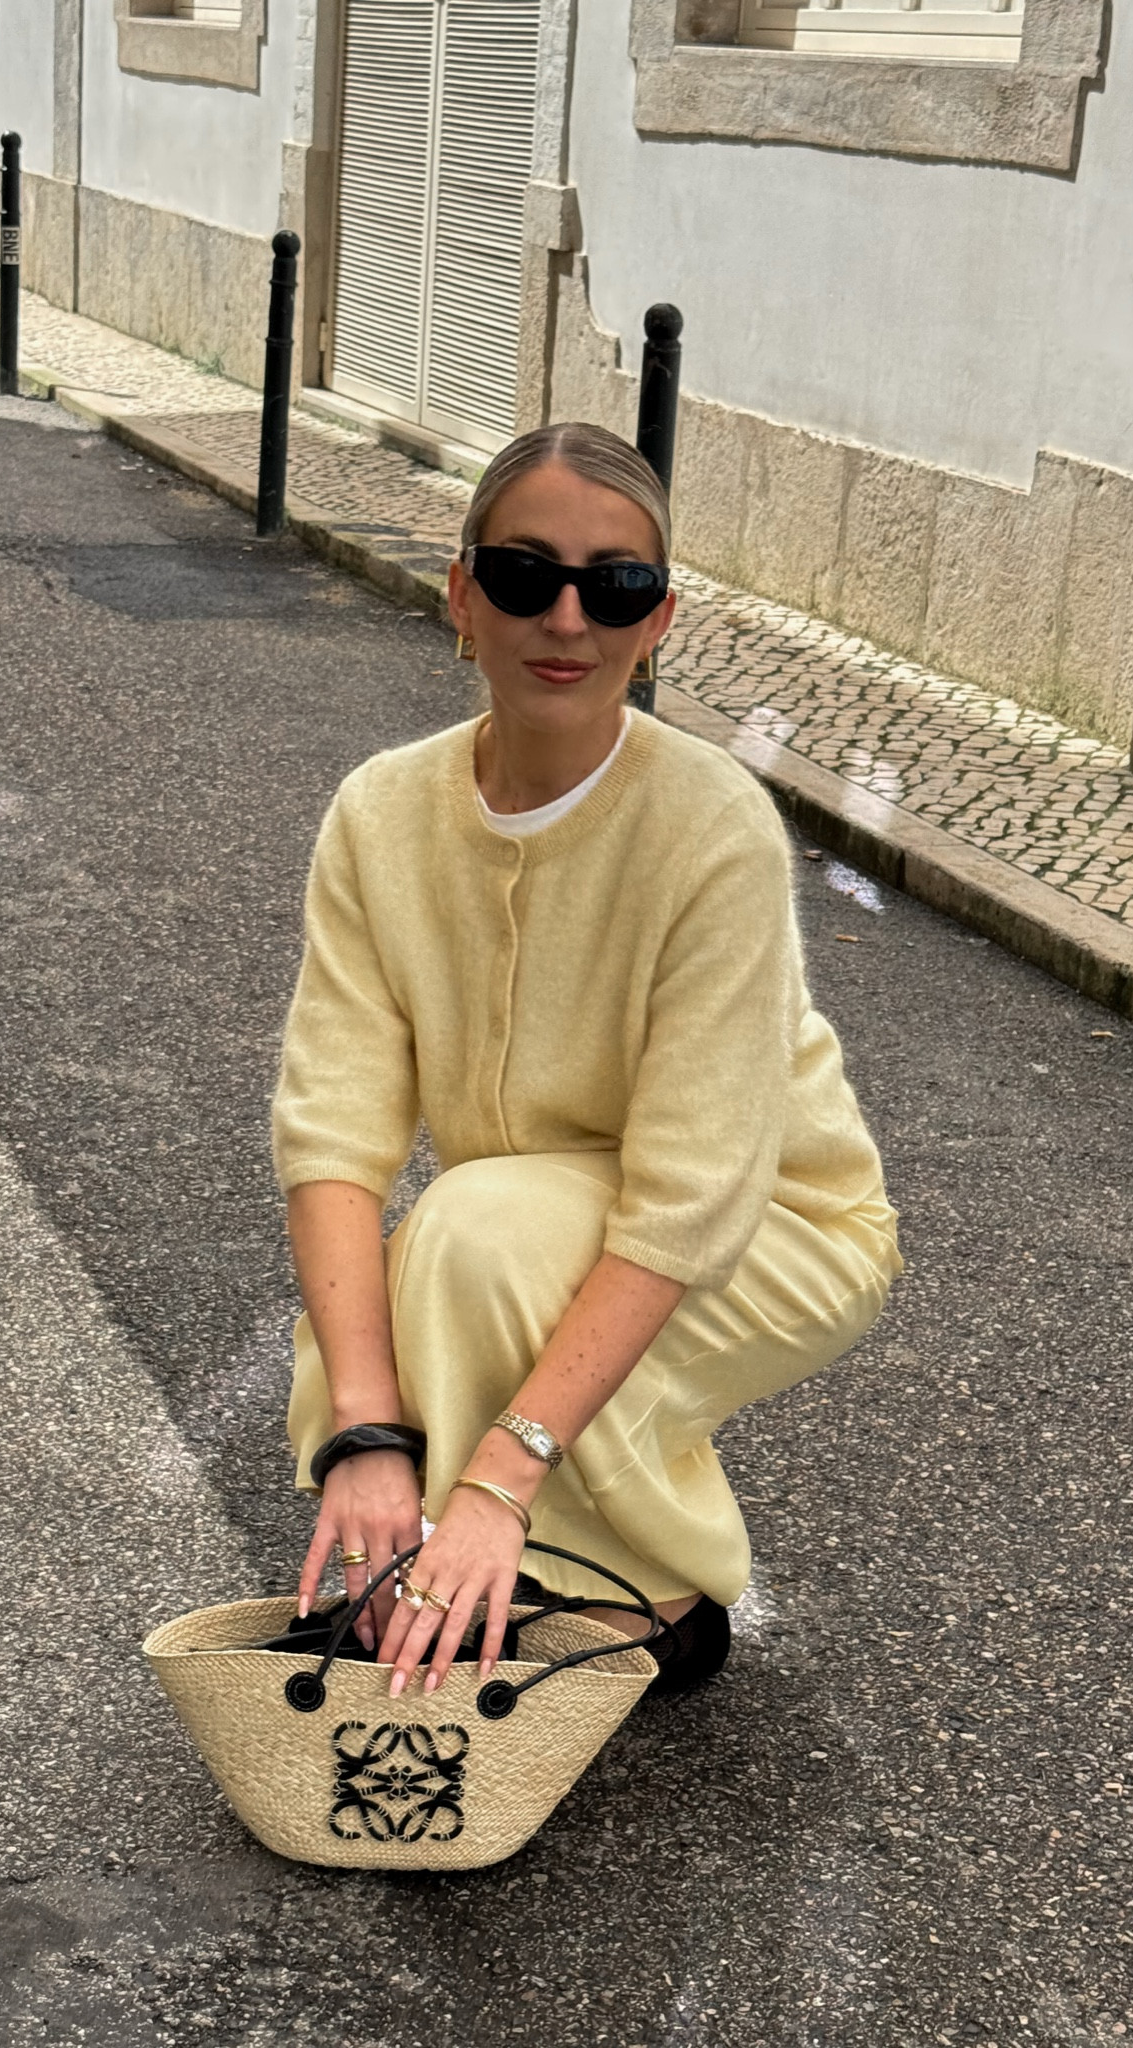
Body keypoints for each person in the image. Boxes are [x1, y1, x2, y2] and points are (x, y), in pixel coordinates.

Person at [274, 421, 900, 1703]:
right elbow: (333, 1129)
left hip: (780, 1224)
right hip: (551, 1206)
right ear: (460, 592)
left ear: (657, 618)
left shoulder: (713, 828)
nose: (567, 617)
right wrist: (366, 1429)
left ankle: (574, 1579)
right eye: (522, 575)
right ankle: (589, 1601)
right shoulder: (382, 813)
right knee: (392, 1292)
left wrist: (497, 1477)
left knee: (471, 1241)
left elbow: (691, 1196)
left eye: (612, 585)